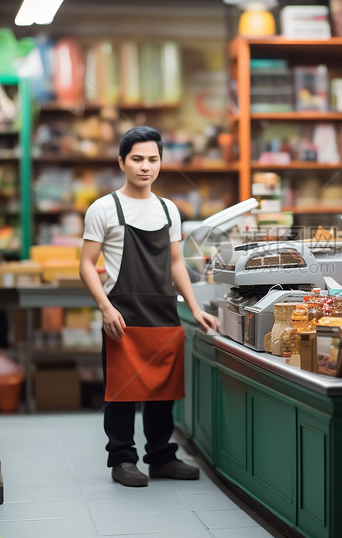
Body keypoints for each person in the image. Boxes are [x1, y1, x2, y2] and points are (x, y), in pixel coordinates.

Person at [79, 125, 218, 487]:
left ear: (160, 162)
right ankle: (122, 459)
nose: (145, 167)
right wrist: (105, 308)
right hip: (122, 314)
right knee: (122, 392)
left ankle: (160, 457)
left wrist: (195, 305)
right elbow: (85, 265)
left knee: (163, 391)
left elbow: (175, 263)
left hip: (163, 313)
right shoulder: (104, 208)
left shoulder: (168, 209)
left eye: (153, 159)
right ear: (122, 161)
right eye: (137, 159)